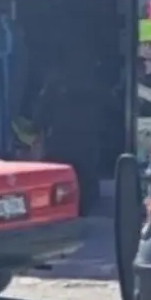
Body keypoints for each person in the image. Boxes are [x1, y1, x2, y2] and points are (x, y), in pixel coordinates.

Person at [33, 62, 102, 215]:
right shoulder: (92, 87)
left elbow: (38, 118)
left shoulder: (53, 87)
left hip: (61, 145)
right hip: (85, 144)